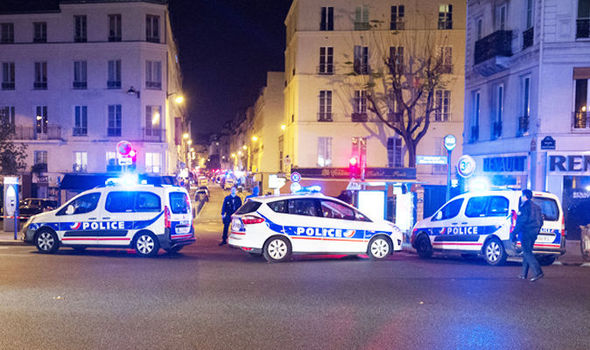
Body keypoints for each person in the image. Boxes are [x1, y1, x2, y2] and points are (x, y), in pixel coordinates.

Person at [512, 189, 544, 282]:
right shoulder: (537, 207)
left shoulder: (524, 207)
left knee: (526, 252)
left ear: (525, 196)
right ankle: (523, 274)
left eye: (522, 196)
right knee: (527, 251)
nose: (521, 197)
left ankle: (538, 272)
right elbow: (541, 221)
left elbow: (521, 222)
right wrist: (537, 230)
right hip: (534, 232)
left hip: (526, 232)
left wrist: (514, 233)